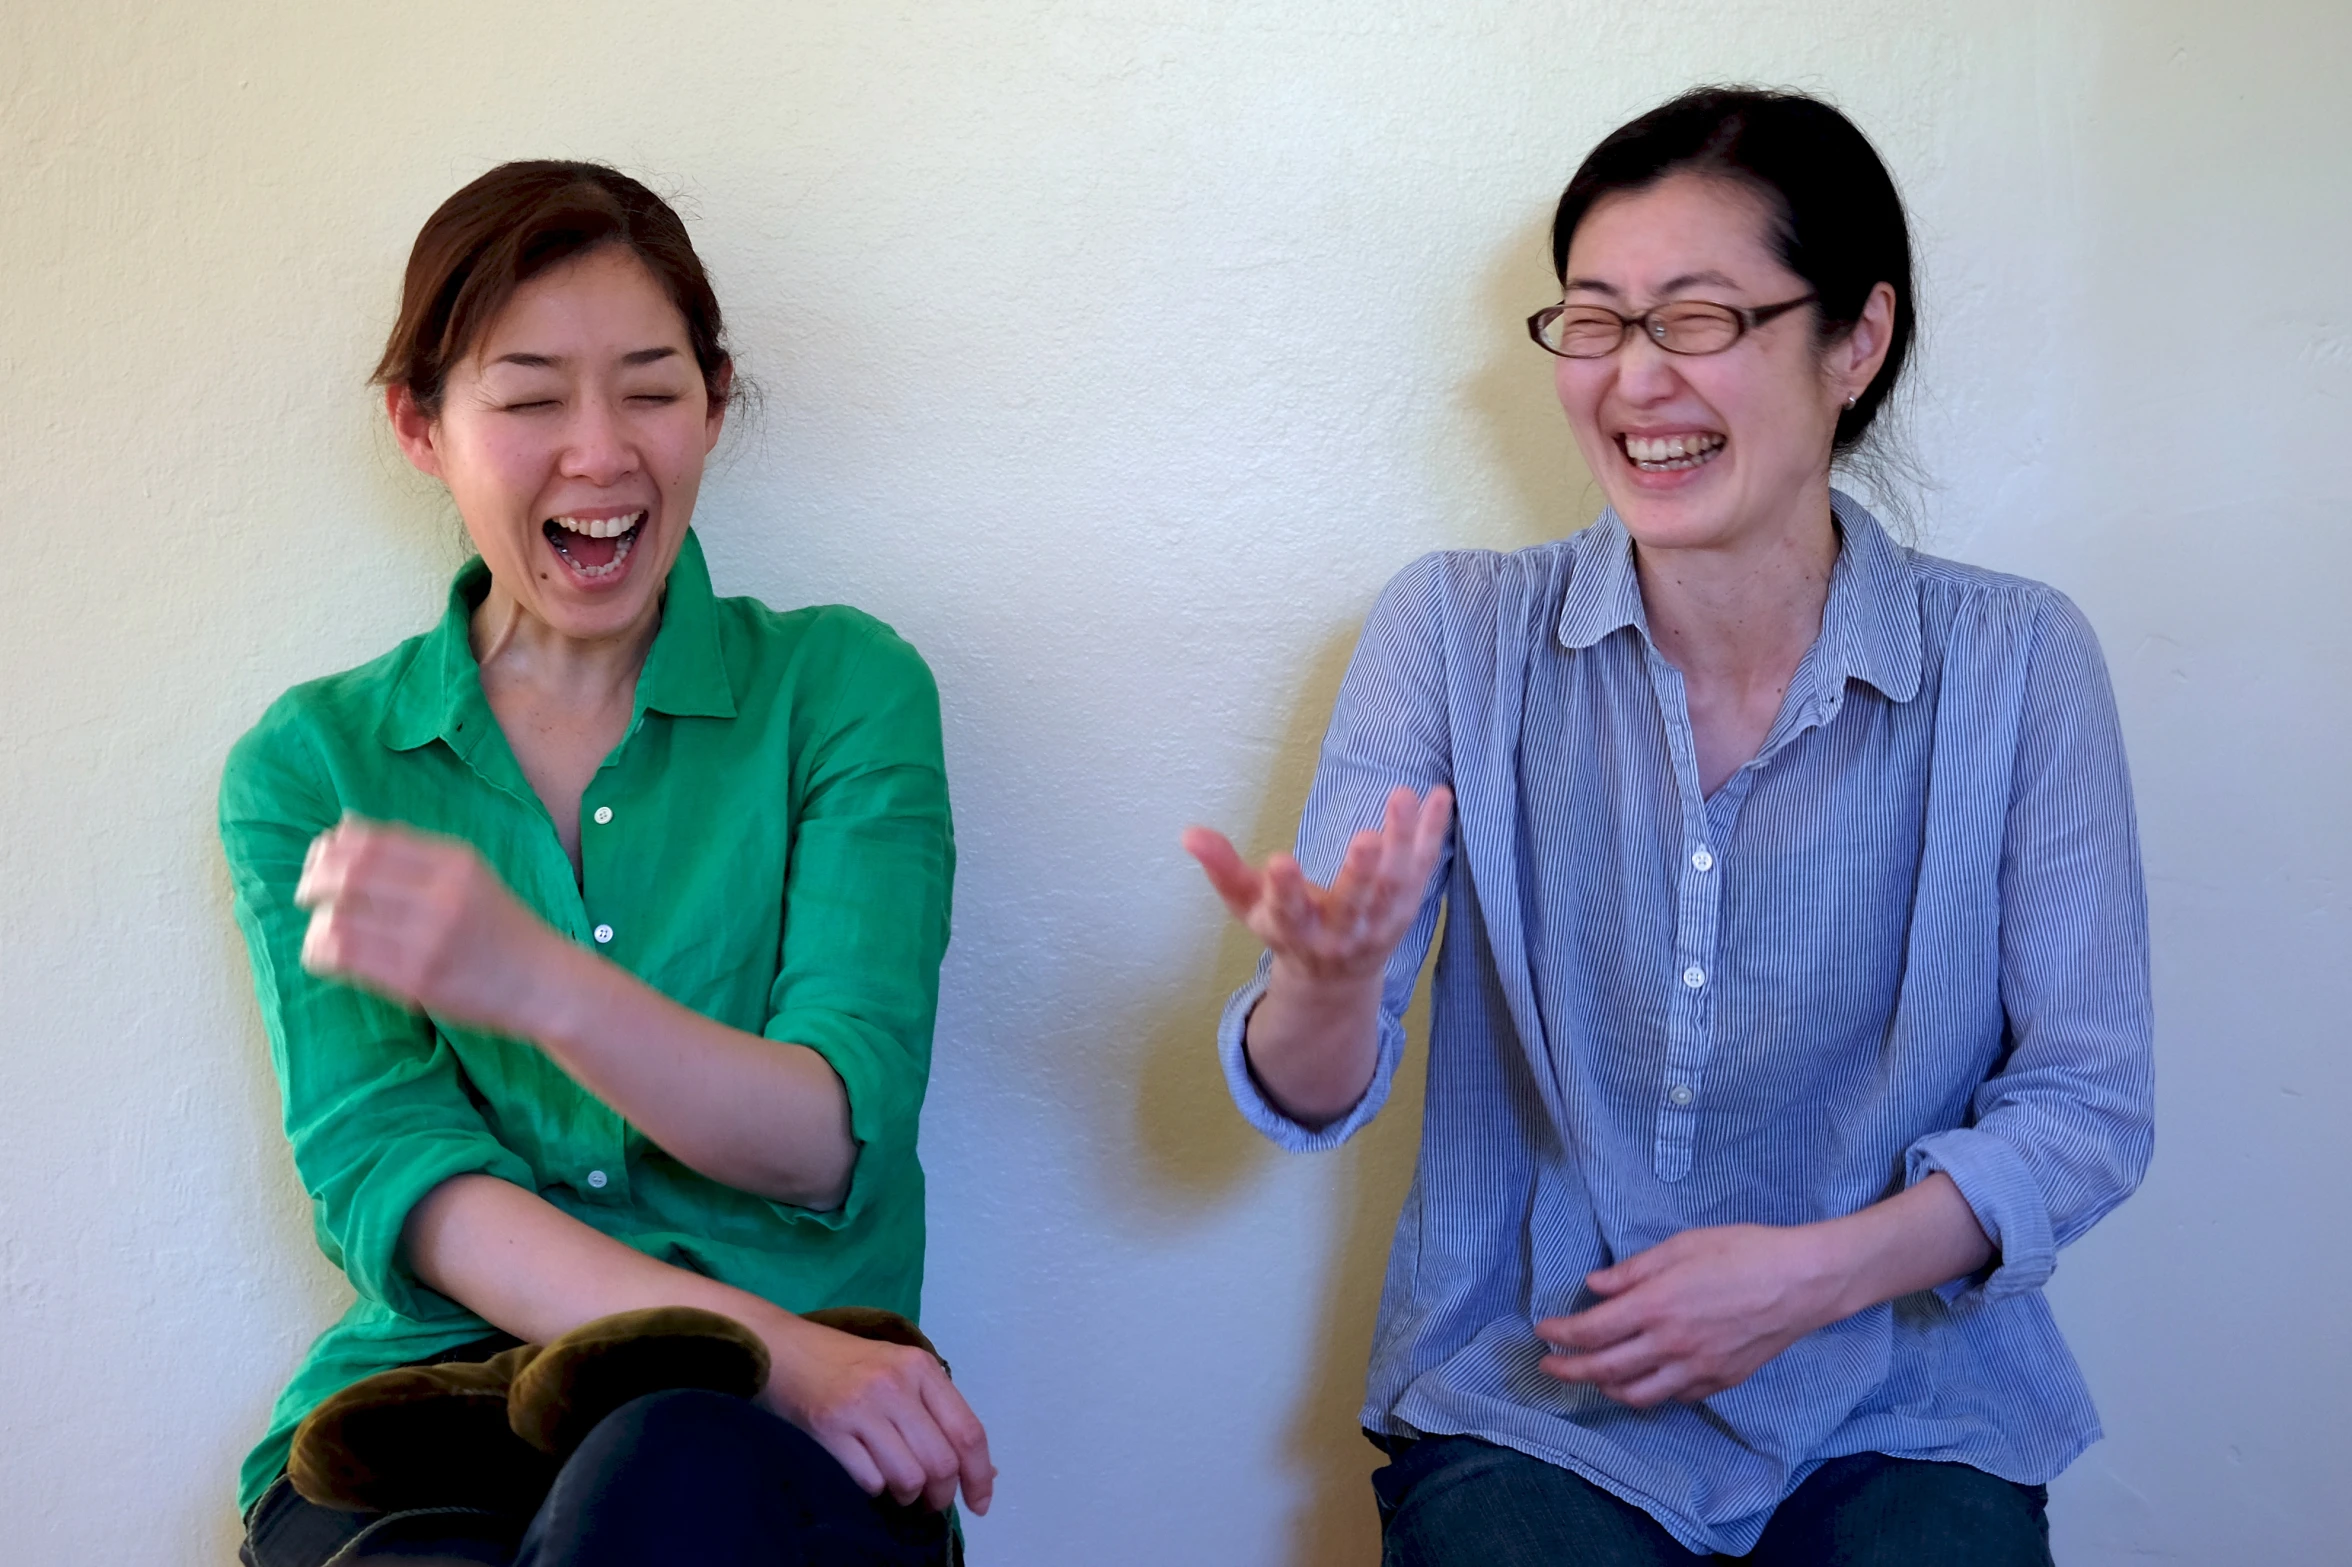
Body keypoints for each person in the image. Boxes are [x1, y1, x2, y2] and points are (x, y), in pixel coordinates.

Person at [1184, 88, 2151, 1565]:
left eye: (1699, 319)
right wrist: (1317, 991)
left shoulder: (2016, 661)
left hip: (1905, 1401)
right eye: (1594, 319)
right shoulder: (1455, 630)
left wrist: (1810, 1278)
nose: (1635, 379)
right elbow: (1314, 1085)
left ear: (1858, 339)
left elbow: (2089, 1102)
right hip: (1539, 1399)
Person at [222, 161, 991, 1567]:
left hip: (786, 1452)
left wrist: (531, 978)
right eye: (526, 400)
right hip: (430, 1416)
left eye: (650, 388)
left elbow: (826, 1138)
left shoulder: (845, 688)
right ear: (421, 425)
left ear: (714, 400)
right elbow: (396, 1177)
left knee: (668, 1460)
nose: (598, 451)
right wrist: (786, 1349)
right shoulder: (311, 765)